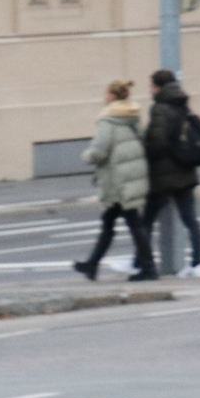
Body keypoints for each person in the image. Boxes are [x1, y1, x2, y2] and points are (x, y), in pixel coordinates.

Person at [75, 81, 154, 283]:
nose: (104, 97)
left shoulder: (108, 120)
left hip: (118, 178)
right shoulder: (132, 116)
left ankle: (148, 268)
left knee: (132, 223)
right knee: (112, 221)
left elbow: (100, 150)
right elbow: (142, 139)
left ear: (112, 96)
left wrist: (87, 156)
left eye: (107, 93)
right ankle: (92, 265)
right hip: (131, 174)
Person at [141, 68, 200, 278]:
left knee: (146, 221)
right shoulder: (182, 103)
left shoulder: (160, 108)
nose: (150, 90)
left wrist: (146, 153)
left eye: (152, 86)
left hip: (164, 174)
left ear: (158, 87)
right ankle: (197, 264)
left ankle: (142, 263)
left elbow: (158, 142)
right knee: (190, 219)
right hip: (186, 170)